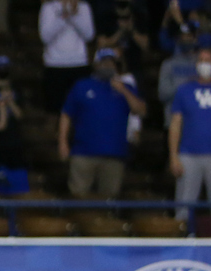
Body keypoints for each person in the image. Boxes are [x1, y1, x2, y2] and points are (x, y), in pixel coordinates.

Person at [59, 48, 146, 198]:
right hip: (84, 153)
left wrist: (123, 90)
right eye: (104, 62)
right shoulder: (82, 86)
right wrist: (62, 142)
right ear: (96, 64)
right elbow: (66, 115)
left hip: (114, 154)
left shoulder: (126, 87)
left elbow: (141, 111)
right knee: (79, 198)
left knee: (109, 201)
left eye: (111, 62)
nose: (108, 65)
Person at [170, 46, 211, 221]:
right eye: (201, 60)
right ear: (196, 64)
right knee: (183, 208)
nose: (205, 64)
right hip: (188, 155)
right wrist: (174, 156)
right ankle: (182, 242)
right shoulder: (184, 90)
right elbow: (175, 125)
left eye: (208, 60)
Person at [40, 0, 95, 116]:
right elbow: (45, 37)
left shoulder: (84, 7)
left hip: (79, 64)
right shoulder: (48, 7)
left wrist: (73, 16)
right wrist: (63, 17)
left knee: (82, 110)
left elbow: (89, 35)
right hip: (54, 65)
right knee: (54, 111)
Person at [159, 23, 200, 121]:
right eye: (182, 36)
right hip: (173, 120)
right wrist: (188, 82)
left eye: (188, 36)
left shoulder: (202, 63)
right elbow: (163, 94)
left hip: (197, 121)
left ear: (195, 38)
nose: (185, 39)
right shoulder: (168, 64)